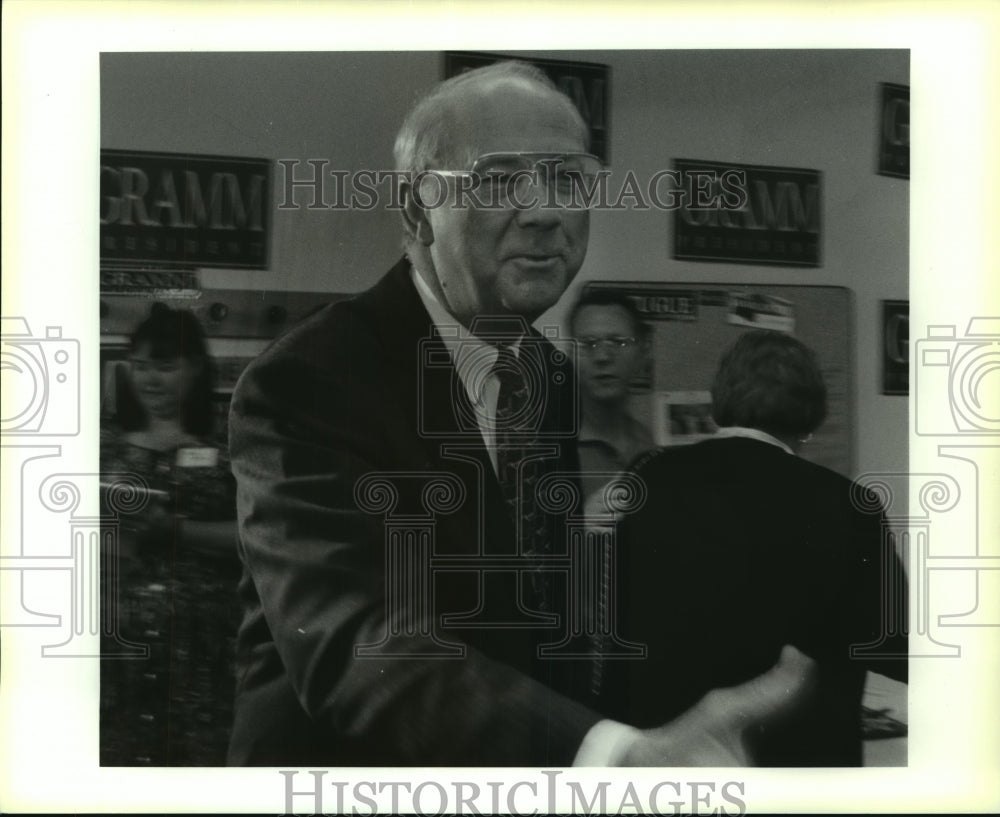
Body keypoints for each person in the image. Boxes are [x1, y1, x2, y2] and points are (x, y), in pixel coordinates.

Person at [226, 61, 818, 767]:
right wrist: (602, 752)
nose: (545, 211)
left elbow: (542, 616)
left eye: (568, 180)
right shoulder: (308, 380)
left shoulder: (546, 374)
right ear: (417, 210)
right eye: (502, 179)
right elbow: (360, 643)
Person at [605, 330, 909, 765]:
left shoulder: (650, 481)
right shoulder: (848, 504)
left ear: (720, 400)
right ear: (810, 416)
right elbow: (892, 645)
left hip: (673, 759)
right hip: (801, 764)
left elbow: (616, 629)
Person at [100, 303, 240, 765]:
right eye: (140, 367)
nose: (150, 381)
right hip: (117, 630)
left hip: (204, 634)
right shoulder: (102, 444)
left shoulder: (227, 445)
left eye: (165, 366)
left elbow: (257, 536)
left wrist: (177, 531)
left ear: (196, 369)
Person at [569, 289, 656, 513]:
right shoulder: (548, 449)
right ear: (571, 355)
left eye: (618, 342)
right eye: (588, 344)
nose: (603, 357)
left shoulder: (648, 444)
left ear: (642, 353)